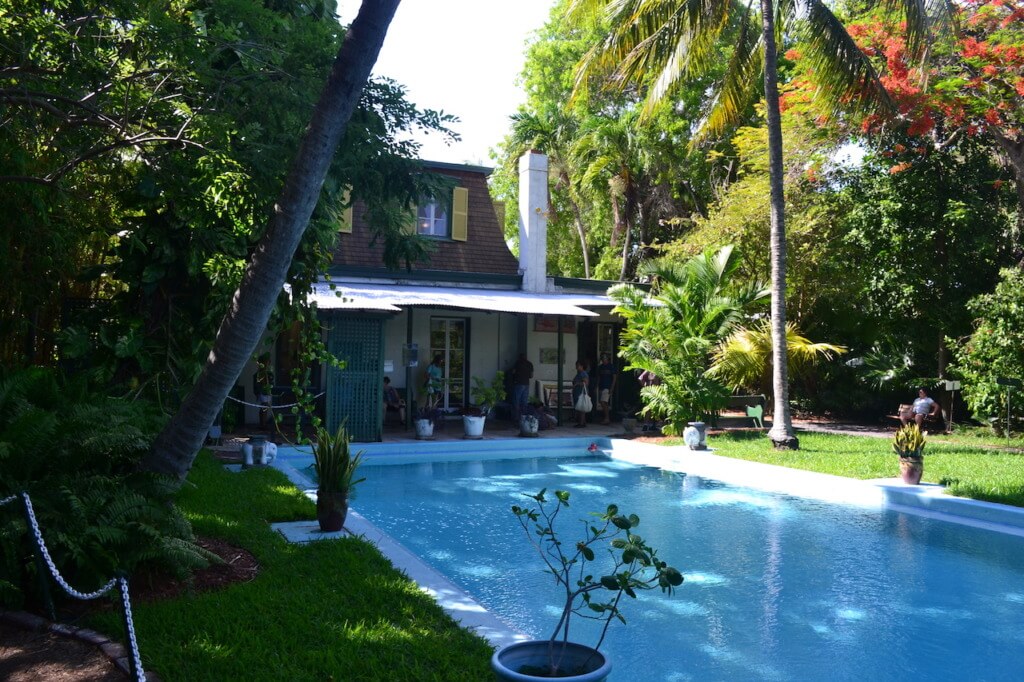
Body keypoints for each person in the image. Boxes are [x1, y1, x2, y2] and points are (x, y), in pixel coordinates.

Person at [511, 352, 534, 423]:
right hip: (526, 384)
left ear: (519, 357)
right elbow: (531, 376)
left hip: (518, 383)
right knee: (524, 402)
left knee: (516, 401)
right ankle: (523, 418)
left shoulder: (517, 363)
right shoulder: (530, 364)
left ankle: (516, 418)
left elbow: (513, 372)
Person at [595, 353, 617, 426]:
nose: (603, 359)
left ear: (608, 358)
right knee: (604, 402)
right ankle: (606, 418)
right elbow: (599, 377)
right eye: (602, 358)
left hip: (607, 387)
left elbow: (614, 378)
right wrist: (597, 386)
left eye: (605, 358)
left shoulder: (611, 367)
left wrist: (612, 388)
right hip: (601, 386)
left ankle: (607, 418)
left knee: (603, 402)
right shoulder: (600, 367)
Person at [252, 354, 274, 428]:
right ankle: (263, 424)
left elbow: (271, 382)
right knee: (264, 407)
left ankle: (263, 423)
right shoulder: (259, 374)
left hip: (267, 392)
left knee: (265, 407)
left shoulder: (269, 373)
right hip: (262, 392)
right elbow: (257, 384)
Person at [572, 359, 590, 428]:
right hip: (577, 392)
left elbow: (586, 383)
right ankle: (582, 422)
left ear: (582, 366)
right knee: (579, 407)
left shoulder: (583, 373)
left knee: (581, 408)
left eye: (578, 365)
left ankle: (581, 423)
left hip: (581, 392)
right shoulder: (579, 373)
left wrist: (577, 384)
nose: (576, 367)